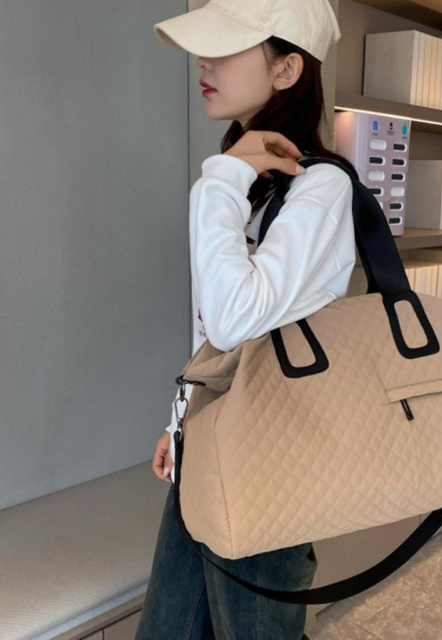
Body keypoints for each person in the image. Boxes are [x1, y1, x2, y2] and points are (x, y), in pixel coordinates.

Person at [135, 1, 358, 638]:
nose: (204, 63)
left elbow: (233, 319)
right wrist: (182, 421)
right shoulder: (255, 182)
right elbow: (220, 335)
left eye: (226, 48)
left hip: (270, 461)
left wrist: (221, 179)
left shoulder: (320, 188)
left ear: (286, 70)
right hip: (212, 444)